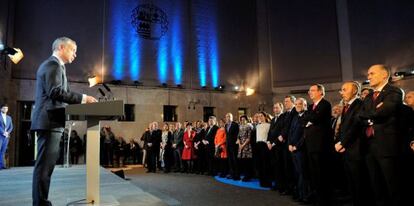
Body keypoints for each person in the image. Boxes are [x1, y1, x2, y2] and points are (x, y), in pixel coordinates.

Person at [31, 37, 97, 206]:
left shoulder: (58, 67)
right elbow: (56, 92)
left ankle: (41, 201)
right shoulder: (52, 65)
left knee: (47, 168)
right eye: (73, 50)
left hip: (52, 122)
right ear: (61, 47)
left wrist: (83, 100)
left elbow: (63, 93)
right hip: (48, 122)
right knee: (44, 168)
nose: (75, 54)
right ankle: (40, 203)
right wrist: (83, 98)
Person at [359, 64, 402, 206]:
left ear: (384, 75)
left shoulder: (393, 91)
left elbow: (384, 111)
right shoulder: (369, 96)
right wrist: (373, 114)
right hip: (369, 147)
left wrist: (370, 115)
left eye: (372, 73)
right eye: (368, 74)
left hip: (387, 147)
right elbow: (360, 116)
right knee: (376, 186)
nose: (368, 76)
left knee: (393, 186)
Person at [303, 84, 333, 206]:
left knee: (322, 174)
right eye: (309, 91)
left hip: (321, 145)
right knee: (314, 174)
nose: (310, 93)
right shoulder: (311, 106)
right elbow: (305, 119)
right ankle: (317, 197)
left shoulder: (325, 104)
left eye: (313, 90)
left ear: (321, 92)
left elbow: (315, 118)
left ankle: (325, 200)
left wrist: (310, 120)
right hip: (310, 145)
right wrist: (310, 120)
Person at [0, 104, 13, 170]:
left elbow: (11, 127)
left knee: (3, 151)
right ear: (1, 109)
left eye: (6, 108)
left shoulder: (9, 117)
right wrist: (3, 132)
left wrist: (7, 132)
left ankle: (2, 165)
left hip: (6, 137)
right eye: (4, 108)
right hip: (0, 135)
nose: (5, 110)